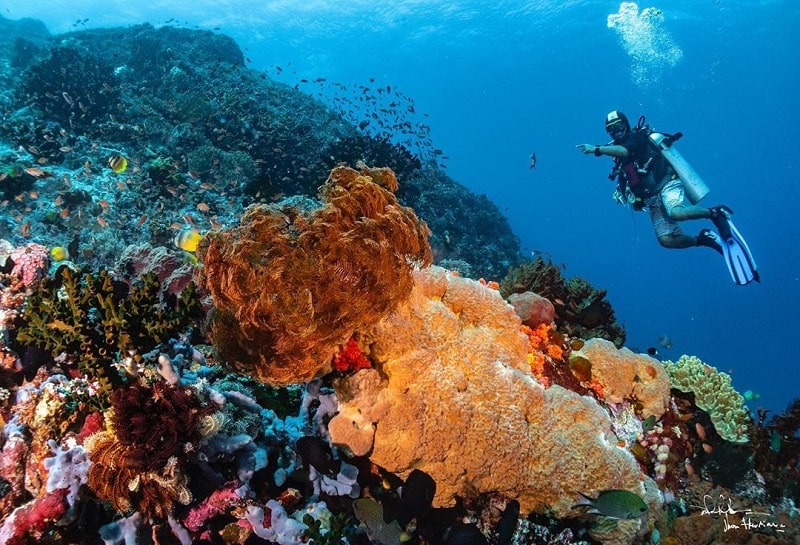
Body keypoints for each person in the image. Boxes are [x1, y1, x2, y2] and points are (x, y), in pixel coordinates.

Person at [576, 110, 759, 285]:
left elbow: (625, 151)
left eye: (619, 126)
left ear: (626, 125)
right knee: (666, 240)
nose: (616, 131)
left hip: (667, 183)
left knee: (676, 212)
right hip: (651, 198)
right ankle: (705, 239)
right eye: (611, 129)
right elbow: (627, 175)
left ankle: (715, 213)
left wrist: (596, 149)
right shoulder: (616, 155)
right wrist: (627, 195)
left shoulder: (636, 138)